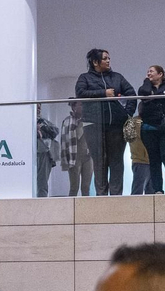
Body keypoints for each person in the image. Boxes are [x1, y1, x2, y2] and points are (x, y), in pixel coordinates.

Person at [75, 48, 137, 196]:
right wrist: (104, 93)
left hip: (116, 125)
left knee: (116, 162)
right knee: (99, 162)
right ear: (95, 62)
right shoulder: (85, 78)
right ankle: (101, 196)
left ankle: (116, 196)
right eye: (105, 58)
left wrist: (127, 113)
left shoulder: (117, 77)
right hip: (93, 125)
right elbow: (80, 93)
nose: (108, 60)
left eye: (109, 58)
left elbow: (132, 94)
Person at [135, 64, 165, 194]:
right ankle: (158, 189)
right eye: (147, 72)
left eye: (151, 71)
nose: (148, 74)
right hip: (149, 129)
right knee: (154, 159)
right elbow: (143, 94)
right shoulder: (145, 86)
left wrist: (154, 95)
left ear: (160, 74)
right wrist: (148, 85)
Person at [60, 101, 91, 196]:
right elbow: (64, 142)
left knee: (86, 187)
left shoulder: (89, 120)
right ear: (74, 107)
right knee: (74, 187)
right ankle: (71, 209)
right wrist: (65, 160)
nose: (83, 107)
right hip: (74, 157)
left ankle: (86, 209)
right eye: (81, 105)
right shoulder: (67, 121)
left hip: (88, 156)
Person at [36, 105, 59, 198]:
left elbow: (55, 131)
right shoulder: (23, 121)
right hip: (28, 154)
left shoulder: (43, 121)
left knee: (42, 182)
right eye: (36, 107)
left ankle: (42, 203)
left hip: (43, 152)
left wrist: (41, 129)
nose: (38, 109)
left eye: (39, 107)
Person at [124, 112, 149, 197]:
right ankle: (135, 208)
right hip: (140, 160)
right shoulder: (133, 122)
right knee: (137, 190)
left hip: (148, 160)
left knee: (150, 192)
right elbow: (130, 138)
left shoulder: (150, 121)